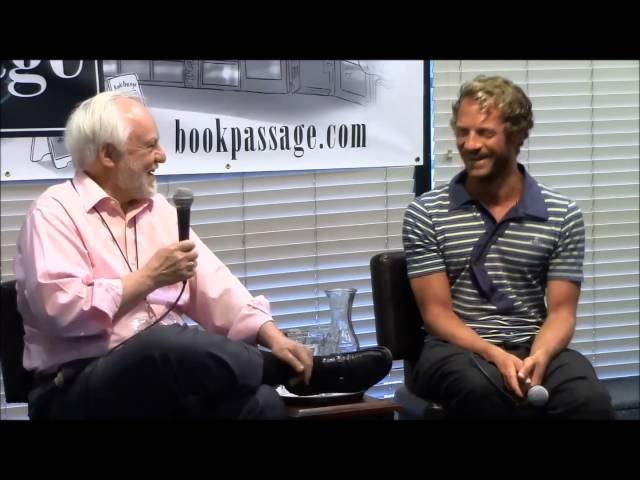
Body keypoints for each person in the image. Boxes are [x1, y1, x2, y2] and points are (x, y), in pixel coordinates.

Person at [15, 91, 392, 420]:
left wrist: (272, 335)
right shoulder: (54, 212)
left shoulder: (158, 210)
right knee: (163, 343)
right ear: (108, 155)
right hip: (76, 386)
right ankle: (289, 373)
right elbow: (60, 308)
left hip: (162, 384)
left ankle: (286, 369)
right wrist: (149, 278)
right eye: (148, 146)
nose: (161, 156)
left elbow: (216, 287)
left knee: (258, 403)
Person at [402, 75, 615, 419]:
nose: (470, 145)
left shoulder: (562, 215)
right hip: (453, 348)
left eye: (485, 133)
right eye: (462, 131)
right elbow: (436, 315)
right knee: (485, 391)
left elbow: (561, 311)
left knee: (588, 400)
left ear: (516, 135)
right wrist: (493, 353)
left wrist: (540, 356)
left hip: (530, 342)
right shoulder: (426, 213)